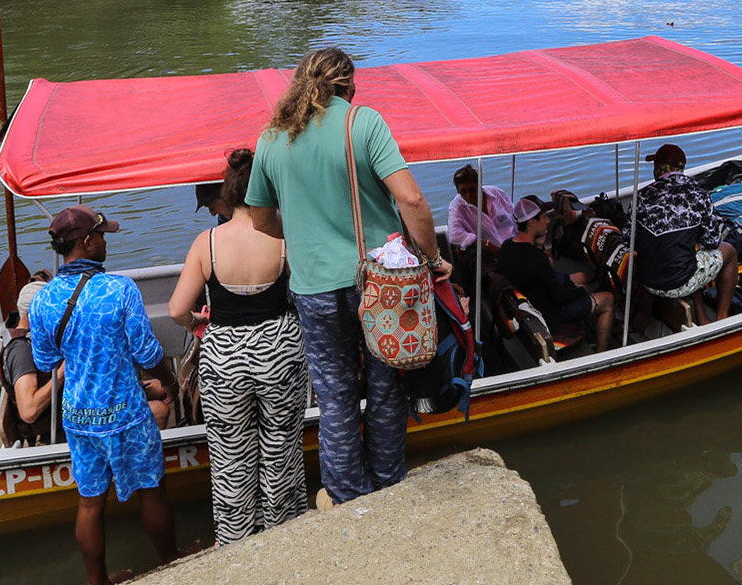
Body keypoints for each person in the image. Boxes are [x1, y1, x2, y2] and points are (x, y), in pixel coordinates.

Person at [247, 47, 451, 508]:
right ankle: (387, 486)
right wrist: (432, 258)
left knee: (335, 397)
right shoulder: (363, 122)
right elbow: (412, 201)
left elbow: (260, 220)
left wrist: (302, 235)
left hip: (313, 290)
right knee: (385, 388)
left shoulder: (273, 137)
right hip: (379, 287)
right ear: (348, 84)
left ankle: (347, 496)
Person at [30, 204, 178, 584]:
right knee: (151, 490)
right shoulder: (119, 288)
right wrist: (168, 383)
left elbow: (46, 358)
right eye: (103, 237)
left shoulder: (43, 300)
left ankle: (98, 581)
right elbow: (147, 353)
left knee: (90, 503)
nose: (106, 243)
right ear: (87, 242)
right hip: (126, 412)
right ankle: (171, 564)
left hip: (79, 417)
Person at [167, 149, 308, 546]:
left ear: (228, 194)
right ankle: (283, 537)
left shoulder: (207, 241)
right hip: (279, 347)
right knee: (281, 447)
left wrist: (199, 321)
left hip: (224, 355)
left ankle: (237, 545)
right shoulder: (284, 233)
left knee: (231, 458)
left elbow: (178, 309)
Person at [631, 143, 740, 325]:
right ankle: (722, 317)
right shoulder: (698, 194)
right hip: (678, 283)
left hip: (647, 280)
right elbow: (713, 241)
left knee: (685, 252)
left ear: (660, 169)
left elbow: (629, 238)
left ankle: (701, 315)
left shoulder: (641, 196)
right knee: (729, 251)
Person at [497, 196, 615, 351]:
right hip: (550, 313)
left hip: (530, 298)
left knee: (581, 277)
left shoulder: (507, 246)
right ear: (532, 222)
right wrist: (580, 291)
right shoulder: (536, 258)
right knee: (607, 299)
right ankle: (602, 352)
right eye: (544, 217)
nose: (548, 221)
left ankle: (593, 330)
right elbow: (560, 296)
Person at [0, 275, 55, 447]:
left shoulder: (36, 336)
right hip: (49, 432)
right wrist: (61, 374)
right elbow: (29, 411)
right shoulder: (22, 351)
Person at [445, 164, 515, 261]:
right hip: (490, 256)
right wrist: (486, 244)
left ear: (479, 185)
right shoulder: (456, 206)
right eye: (463, 192)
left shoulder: (497, 193)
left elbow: (515, 216)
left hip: (514, 245)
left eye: (472, 190)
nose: (468, 195)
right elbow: (454, 235)